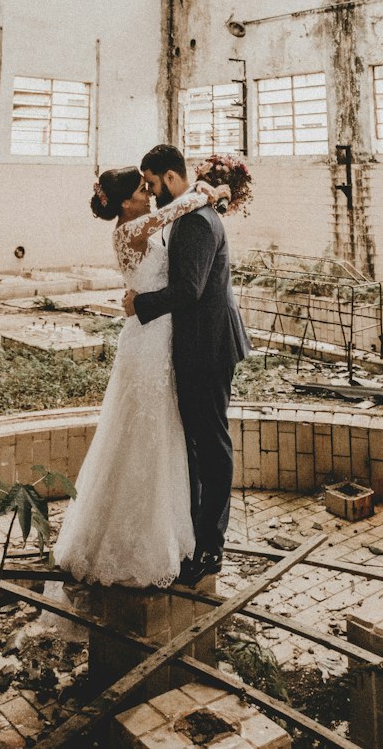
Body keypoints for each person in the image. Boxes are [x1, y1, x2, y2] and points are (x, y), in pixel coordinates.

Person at [52, 164, 229, 590]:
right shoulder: (132, 229)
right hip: (149, 339)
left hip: (156, 334)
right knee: (144, 431)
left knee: (160, 431)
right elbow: (179, 207)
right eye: (141, 188)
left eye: (148, 184)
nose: (148, 193)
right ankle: (137, 537)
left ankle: (168, 526)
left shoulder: (137, 228)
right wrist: (209, 189)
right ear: (126, 200)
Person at [123, 144, 251, 587]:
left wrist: (140, 304)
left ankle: (210, 547)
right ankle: (194, 534)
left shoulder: (194, 222)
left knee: (211, 445)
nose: (152, 192)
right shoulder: (186, 213)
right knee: (197, 442)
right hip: (197, 345)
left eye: (154, 184)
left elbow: (190, 290)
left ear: (171, 179)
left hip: (210, 347)